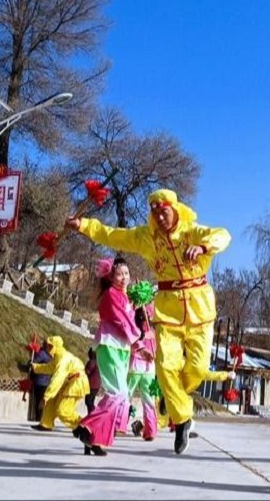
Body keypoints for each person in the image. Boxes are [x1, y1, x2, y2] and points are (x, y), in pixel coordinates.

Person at [65, 188, 231, 455]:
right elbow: (113, 235)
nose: (160, 218)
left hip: (199, 310)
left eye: (164, 212)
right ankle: (182, 418)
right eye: (156, 213)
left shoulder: (192, 231)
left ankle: (172, 396)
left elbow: (223, 235)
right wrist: (84, 225)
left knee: (198, 369)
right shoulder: (146, 238)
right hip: (168, 312)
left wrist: (203, 247)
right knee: (165, 366)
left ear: (175, 209)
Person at [73, 257, 140, 456]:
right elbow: (122, 321)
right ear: (111, 277)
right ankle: (86, 427)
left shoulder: (125, 296)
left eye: (126, 274)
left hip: (121, 348)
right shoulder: (111, 294)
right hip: (110, 345)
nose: (124, 278)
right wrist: (139, 341)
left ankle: (95, 439)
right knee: (117, 394)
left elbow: (129, 320)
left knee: (120, 396)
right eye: (119, 274)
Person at [29, 336, 90, 434]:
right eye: (48, 346)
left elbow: (57, 378)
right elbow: (49, 368)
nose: (48, 348)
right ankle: (46, 423)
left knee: (63, 410)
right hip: (70, 382)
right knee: (51, 401)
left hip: (76, 383)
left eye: (50, 346)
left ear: (55, 346)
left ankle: (85, 425)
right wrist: (35, 367)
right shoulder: (58, 357)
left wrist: (46, 396)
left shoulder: (63, 359)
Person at [127, 305, 158, 440]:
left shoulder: (136, 329)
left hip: (136, 366)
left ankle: (118, 425)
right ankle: (150, 430)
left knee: (126, 396)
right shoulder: (153, 332)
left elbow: (131, 343)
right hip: (148, 369)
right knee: (149, 400)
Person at [83, 347, 101, 455]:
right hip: (97, 385)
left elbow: (87, 372)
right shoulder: (99, 362)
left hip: (90, 384)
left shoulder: (91, 362)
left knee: (88, 401)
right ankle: (91, 411)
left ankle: (91, 413)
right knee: (91, 400)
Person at [29, 346, 52, 422]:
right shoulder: (47, 354)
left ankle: (39, 416)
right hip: (44, 380)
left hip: (43, 380)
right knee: (41, 399)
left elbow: (34, 362)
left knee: (40, 399)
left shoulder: (44, 354)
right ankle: (40, 416)